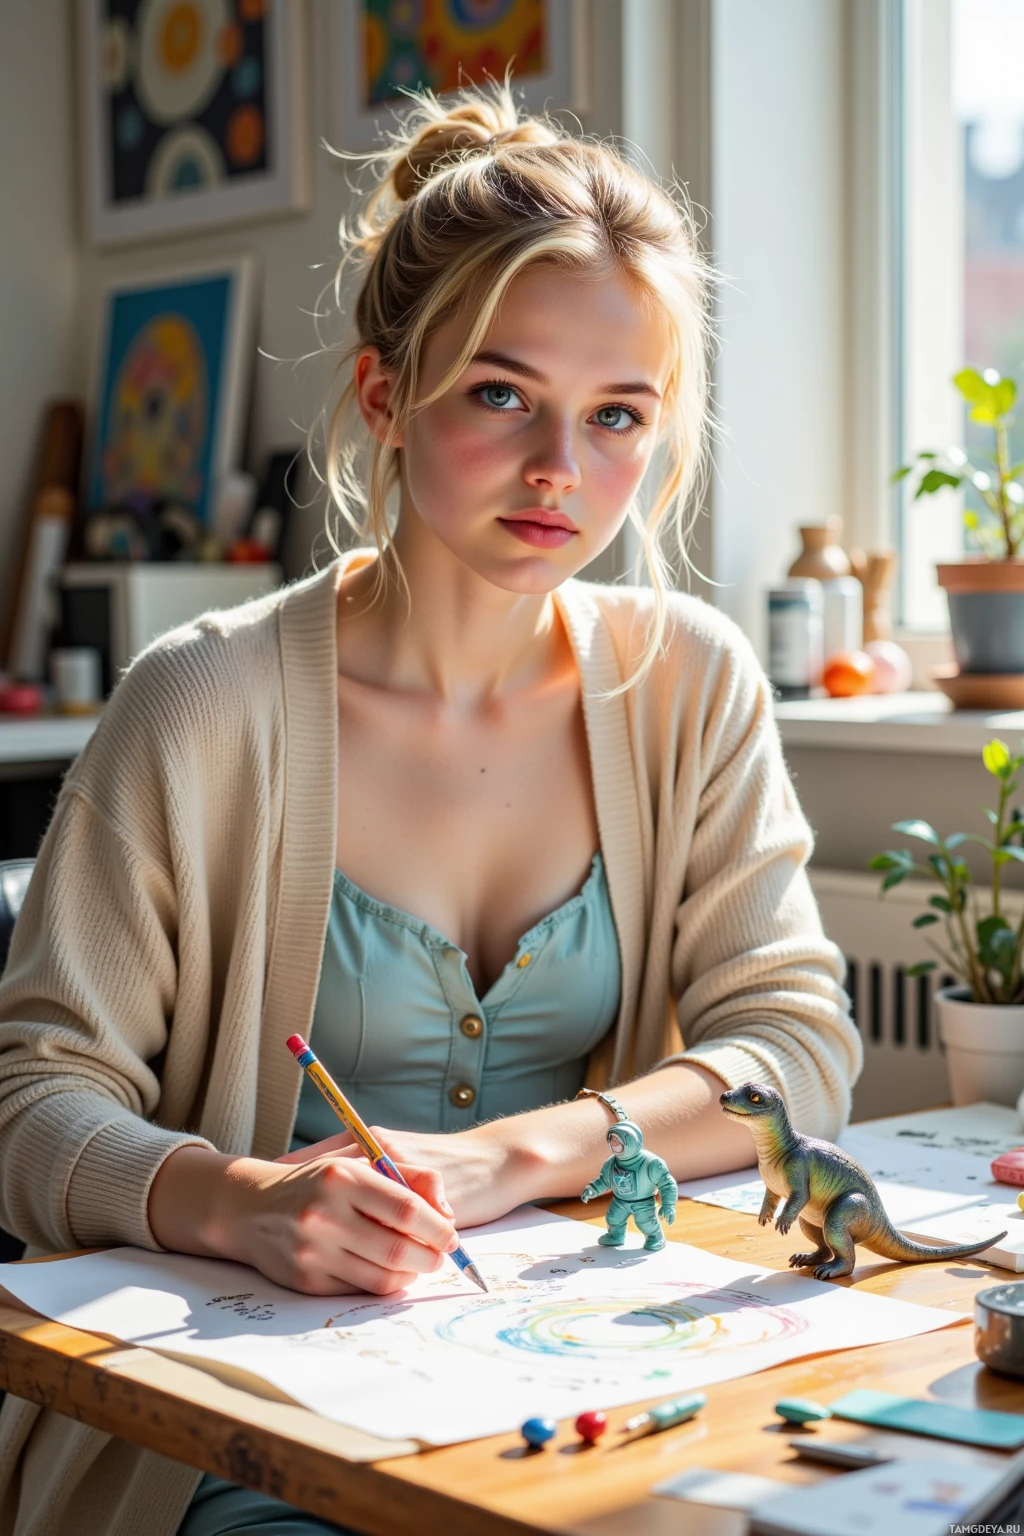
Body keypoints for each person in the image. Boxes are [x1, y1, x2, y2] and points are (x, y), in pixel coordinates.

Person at [0, 82, 860, 1536]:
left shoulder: (691, 683)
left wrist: (510, 1156)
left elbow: (793, 1046)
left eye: (617, 417)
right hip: (235, 1435)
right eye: (502, 393)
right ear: (388, 393)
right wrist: (244, 1201)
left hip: (561, 1391)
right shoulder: (201, 704)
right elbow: (32, 1103)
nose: (559, 472)